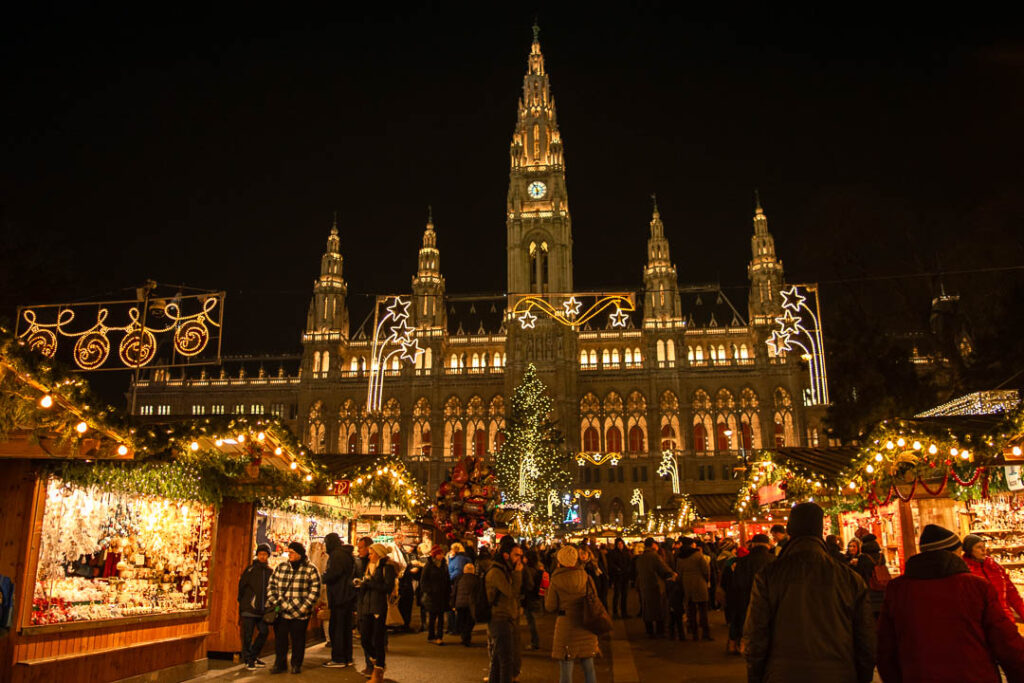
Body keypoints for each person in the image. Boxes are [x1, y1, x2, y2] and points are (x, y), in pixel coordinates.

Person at [744, 503, 874, 683]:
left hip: (783, 674)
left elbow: (756, 636)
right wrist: (863, 676)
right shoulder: (849, 578)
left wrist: (756, 676)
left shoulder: (769, 576)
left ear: (790, 530)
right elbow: (865, 639)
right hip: (838, 673)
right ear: (820, 531)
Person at [877, 524, 1024, 682]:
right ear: (953, 552)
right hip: (974, 674)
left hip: (919, 675)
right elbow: (1005, 640)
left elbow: (886, 645)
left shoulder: (898, 589)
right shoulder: (976, 586)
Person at [545, 545, 599, 683]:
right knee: (588, 666)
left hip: (566, 625)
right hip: (585, 622)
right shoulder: (585, 576)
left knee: (566, 666)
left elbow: (550, 606)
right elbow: (594, 598)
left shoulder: (556, 580)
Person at [266, 542, 322, 675]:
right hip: (282, 611)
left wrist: (304, 607)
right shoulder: (281, 567)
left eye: (292, 552)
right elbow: (271, 585)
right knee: (280, 640)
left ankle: (296, 664)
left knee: (298, 640)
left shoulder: (311, 569)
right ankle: (280, 663)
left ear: (299, 554)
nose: (289, 555)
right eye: (289, 552)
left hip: (300, 613)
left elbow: (315, 590)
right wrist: (275, 601)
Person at [723, 534, 773, 655]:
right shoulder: (774, 560)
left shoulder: (743, 561)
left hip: (745, 597)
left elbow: (736, 582)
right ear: (768, 545)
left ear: (753, 545)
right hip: (768, 598)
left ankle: (738, 645)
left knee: (742, 620)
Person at [485, 535, 524, 683]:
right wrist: (518, 573)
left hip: (507, 617)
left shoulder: (506, 569)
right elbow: (511, 592)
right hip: (499, 618)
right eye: (516, 555)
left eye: (521, 555)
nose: (519, 559)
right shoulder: (496, 572)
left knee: (498, 659)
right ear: (506, 555)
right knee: (506, 660)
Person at [357, 543, 398, 683]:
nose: (369, 555)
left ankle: (378, 670)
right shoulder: (368, 566)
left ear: (379, 554)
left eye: (372, 553)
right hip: (366, 606)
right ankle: (378, 663)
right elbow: (366, 585)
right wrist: (361, 585)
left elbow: (387, 587)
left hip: (378, 607)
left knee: (378, 639)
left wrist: (370, 583)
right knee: (364, 638)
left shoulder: (387, 567)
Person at [963, 533, 1024, 623]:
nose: (984, 550)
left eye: (984, 546)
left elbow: (1012, 594)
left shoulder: (995, 567)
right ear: (969, 550)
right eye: (978, 547)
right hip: (984, 623)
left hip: (1005, 619)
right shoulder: (965, 571)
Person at [321, 534, 355, 668]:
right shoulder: (345, 554)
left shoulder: (337, 555)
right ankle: (347, 657)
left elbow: (334, 573)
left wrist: (324, 576)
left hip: (339, 596)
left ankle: (339, 658)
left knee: (337, 628)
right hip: (345, 596)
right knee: (345, 628)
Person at [238, 543, 273, 670]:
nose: (262, 557)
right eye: (260, 554)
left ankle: (253, 656)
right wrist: (243, 603)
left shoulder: (270, 571)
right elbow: (241, 587)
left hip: (263, 609)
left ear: (268, 556)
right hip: (249, 608)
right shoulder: (250, 570)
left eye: (265, 554)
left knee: (264, 632)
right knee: (247, 634)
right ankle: (248, 659)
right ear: (257, 555)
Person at [635, 537, 675, 637]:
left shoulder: (640, 557)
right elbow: (664, 569)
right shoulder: (654, 556)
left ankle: (649, 631)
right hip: (656, 586)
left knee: (647, 609)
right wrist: (672, 574)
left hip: (644, 586)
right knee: (659, 609)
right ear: (653, 545)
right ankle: (660, 631)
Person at [675, 537, 712, 641]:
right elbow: (706, 570)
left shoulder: (680, 557)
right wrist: (707, 580)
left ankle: (694, 633)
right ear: (691, 545)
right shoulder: (698, 555)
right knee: (703, 610)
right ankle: (705, 633)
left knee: (691, 611)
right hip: (700, 584)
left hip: (687, 584)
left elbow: (679, 573)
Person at [420, 545, 451, 645]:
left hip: (442, 595)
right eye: (439, 554)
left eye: (442, 554)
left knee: (441, 617)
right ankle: (431, 636)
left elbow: (447, 579)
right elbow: (423, 581)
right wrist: (429, 591)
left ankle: (439, 637)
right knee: (433, 617)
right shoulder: (429, 565)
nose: (441, 556)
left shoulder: (444, 565)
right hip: (432, 596)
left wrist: (448, 591)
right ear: (435, 555)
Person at [453, 562, 479, 646]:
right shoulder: (476, 579)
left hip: (460, 603)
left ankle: (464, 637)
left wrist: (453, 603)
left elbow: (455, 592)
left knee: (462, 621)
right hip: (470, 604)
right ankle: (466, 638)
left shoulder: (459, 578)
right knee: (469, 621)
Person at [522, 549, 543, 650]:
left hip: (529, 597)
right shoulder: (538, 567)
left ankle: (535, 642)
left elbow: (529, 585)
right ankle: (535, 641)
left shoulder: (528, 570)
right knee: (533, 620)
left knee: (531, 621)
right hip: (537, 596)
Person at [607, 538, 631, 618]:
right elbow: (611, 564)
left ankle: (624, 612)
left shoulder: (626, 553)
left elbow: (629, 563)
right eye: (618, 544)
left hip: (625, 576)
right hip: (617, 576)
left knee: (624, 595)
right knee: (617, 594)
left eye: (621, 544)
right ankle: (615, 612)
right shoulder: (613, 553)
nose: (620, 545)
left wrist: (627, 570)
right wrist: (617, 569)